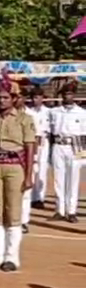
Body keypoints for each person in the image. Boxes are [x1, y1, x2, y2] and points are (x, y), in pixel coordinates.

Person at [0, 72, 37, 271]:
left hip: (15, 166)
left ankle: (11, 257)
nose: (1, 101)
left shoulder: (24, 119)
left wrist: (29, 175)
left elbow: (30, 147)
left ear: (14, 99)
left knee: (13, 212)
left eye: (5, 97)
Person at [49, 81, 86, 223]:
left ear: (74, 95)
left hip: (74, 146)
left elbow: (84, 135)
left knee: (73, 179)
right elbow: (50, 132)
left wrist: (83, 155)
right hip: (58, 145)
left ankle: (71, 210)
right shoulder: (54, 112)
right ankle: (59, 210)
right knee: (58, 179)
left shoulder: (82, 113)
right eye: (65, 94)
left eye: (70, 93)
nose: (67, 96)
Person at [25, 86, 51, 215]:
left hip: (43, 141)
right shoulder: (29, 112)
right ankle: (31, 196)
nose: (36, 100)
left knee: (42, 170)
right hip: (32, 141)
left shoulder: (48, 112)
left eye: (38, 97)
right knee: (32, 168)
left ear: (42, 98)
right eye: (34, 97)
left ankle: (40, 197)